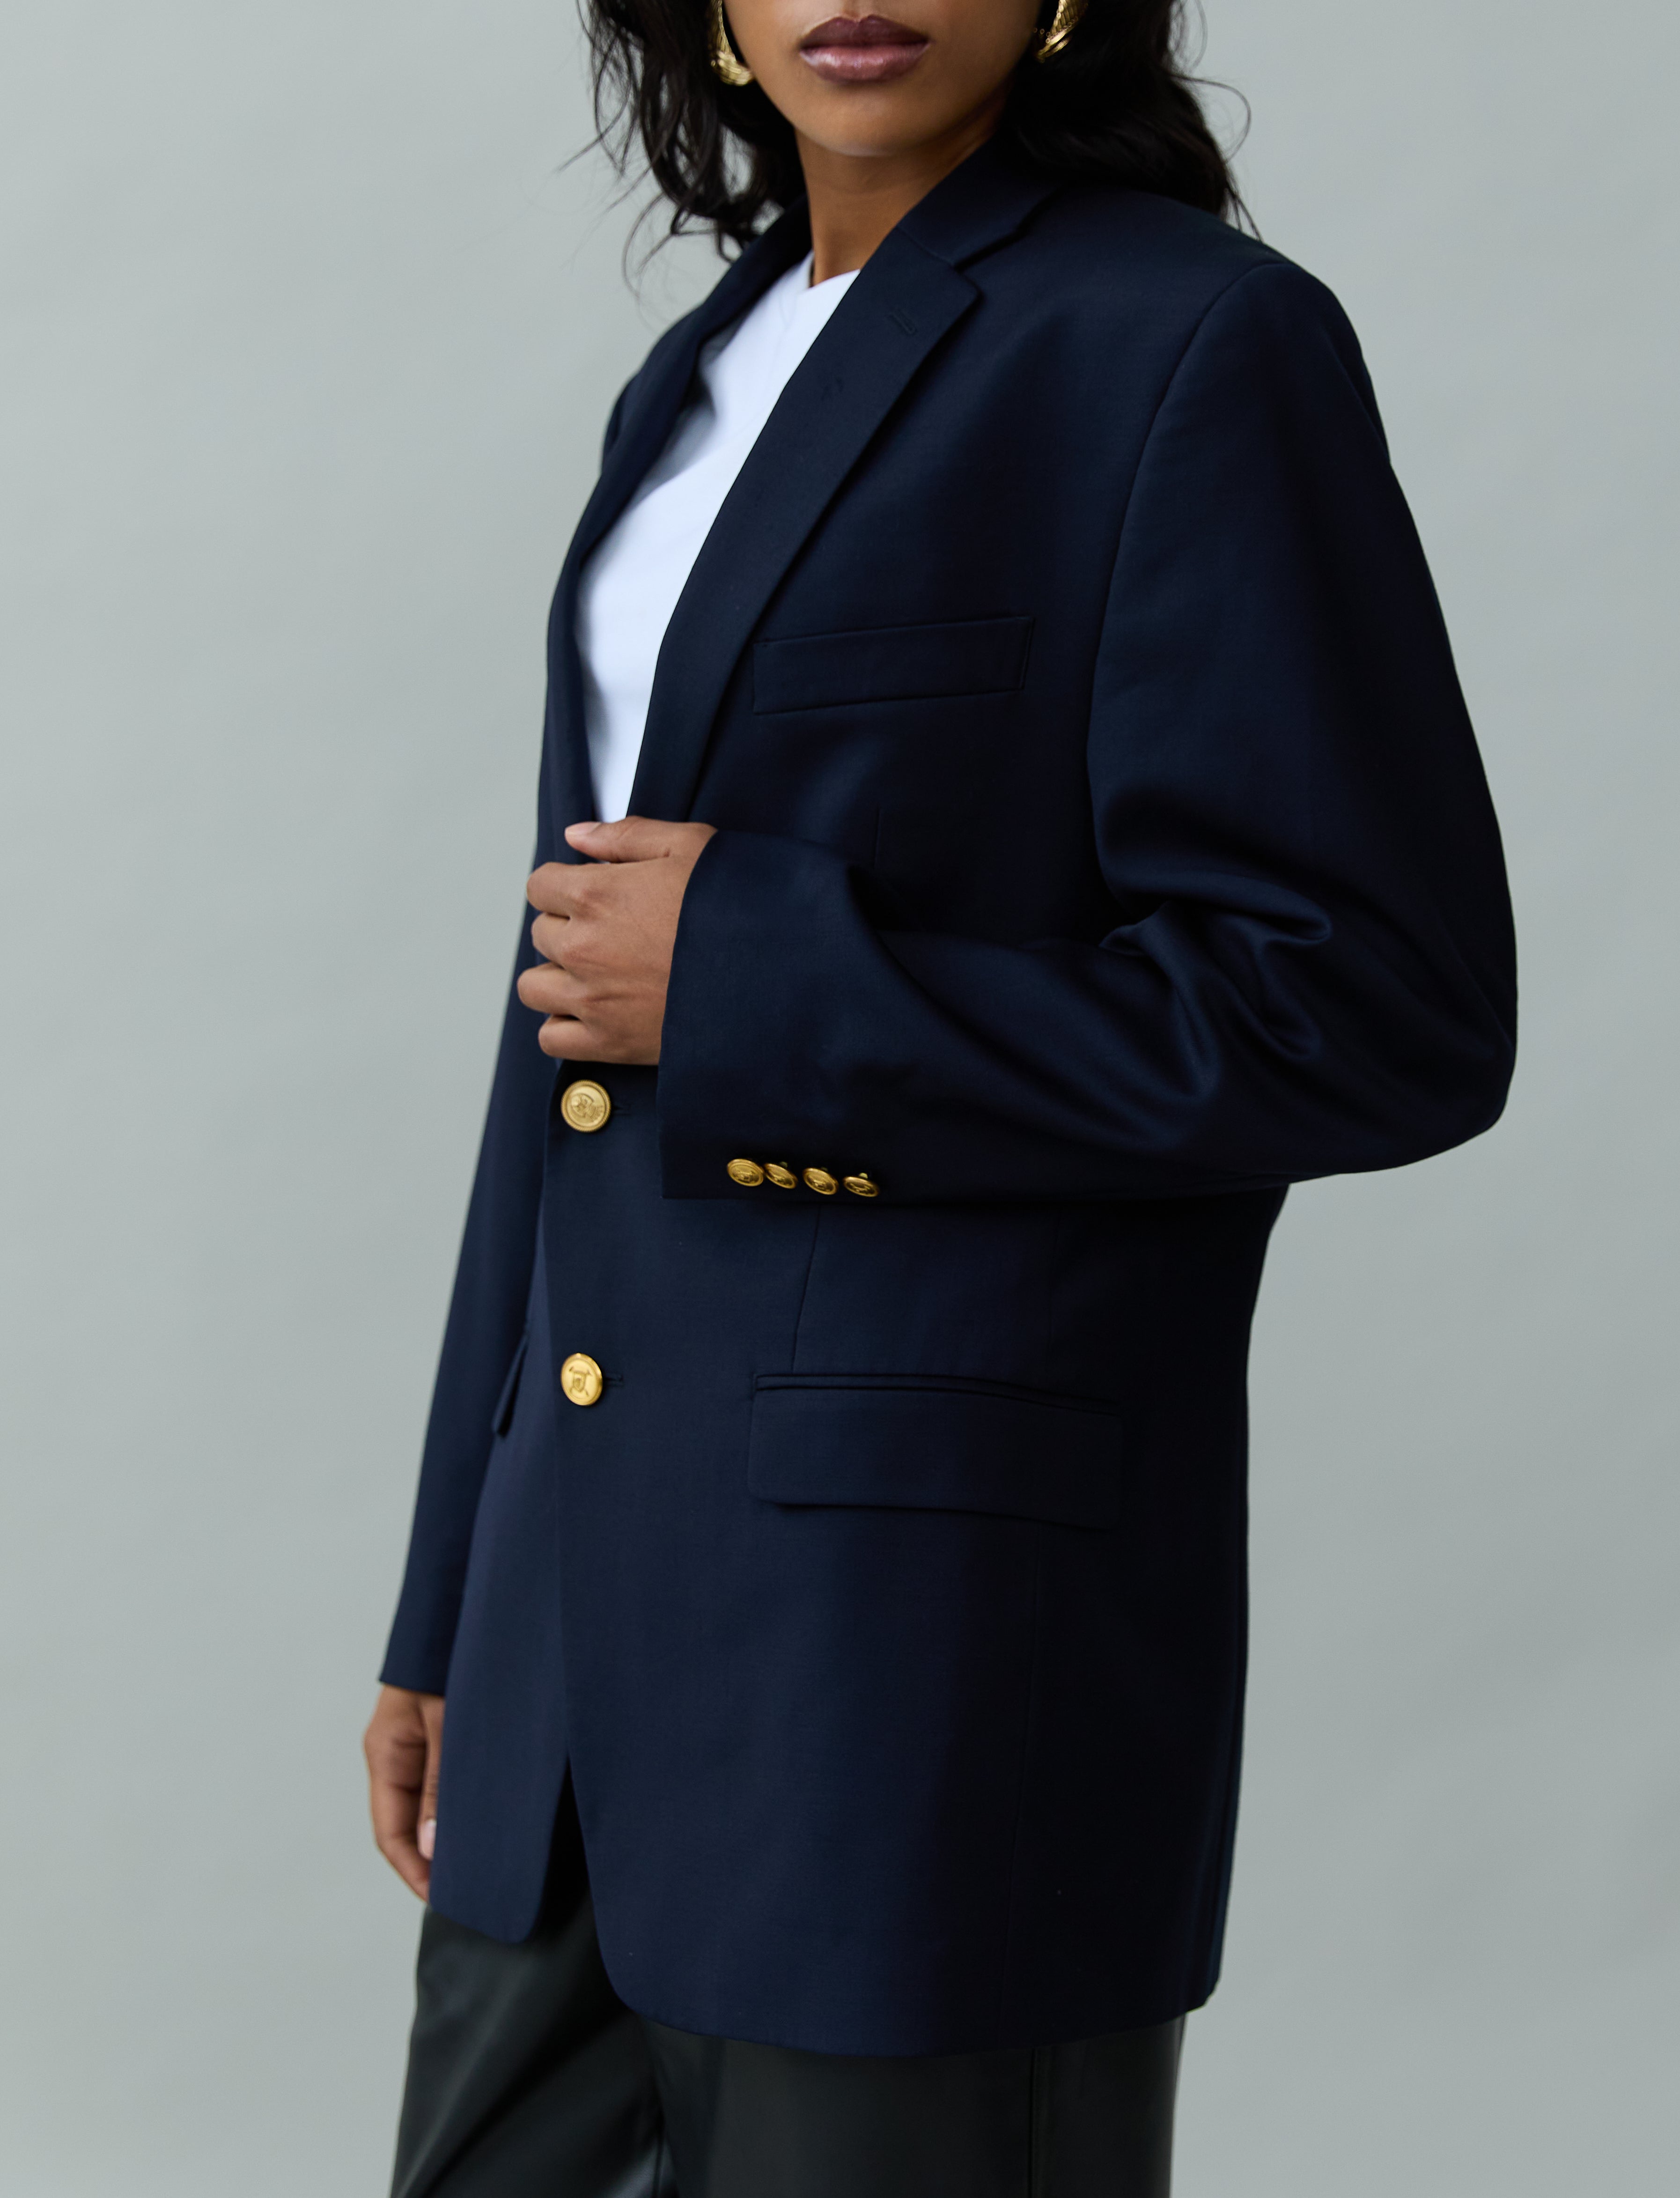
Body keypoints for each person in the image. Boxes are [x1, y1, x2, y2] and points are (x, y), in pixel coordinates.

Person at [363, 0, 1517, 2187]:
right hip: (569, 1645)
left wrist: (764, 979)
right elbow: (569, 1039)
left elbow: (1384, 1005)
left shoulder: (1191, 343)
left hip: (916, 1673)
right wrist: (453, 1600)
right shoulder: (694, 381)